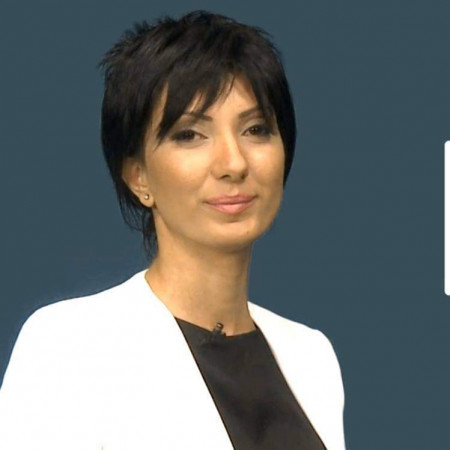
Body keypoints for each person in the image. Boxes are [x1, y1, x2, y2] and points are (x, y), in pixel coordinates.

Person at [0, 10, 346, 450]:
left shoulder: (312, 356)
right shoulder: (73, 348)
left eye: (256, 129)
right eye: (190, 135)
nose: (234, 163)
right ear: (138, 175)